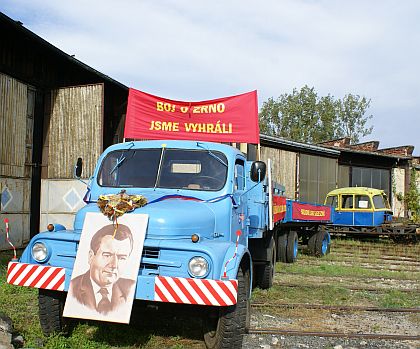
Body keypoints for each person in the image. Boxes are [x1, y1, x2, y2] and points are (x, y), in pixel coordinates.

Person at [69, 224, 135, 315]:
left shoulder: (130, 288)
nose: (114, 265)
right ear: (91, 256)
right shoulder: (73, 287)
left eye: (121, 258)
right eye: (107, 255)